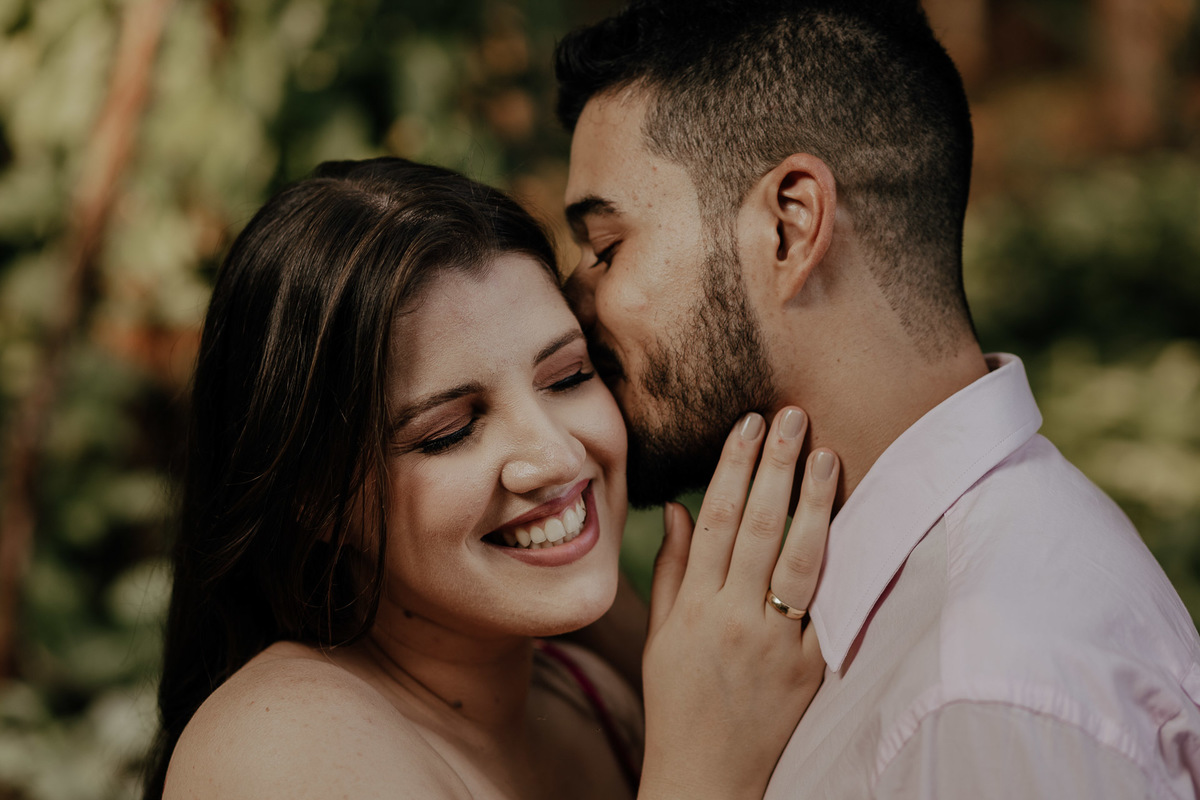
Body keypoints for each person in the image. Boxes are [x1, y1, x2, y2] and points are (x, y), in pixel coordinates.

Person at [556, 1, 1200, 797]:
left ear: (791, 227)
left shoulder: (985, 694)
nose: (572, 308)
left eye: (603, 248)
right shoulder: (903, 626)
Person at [142, 157, 839, 800]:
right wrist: (701, 773)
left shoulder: (599, 696)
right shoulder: (279, 749)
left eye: (569, 376)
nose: (558, 457)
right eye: (450, 430)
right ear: (317, 498)